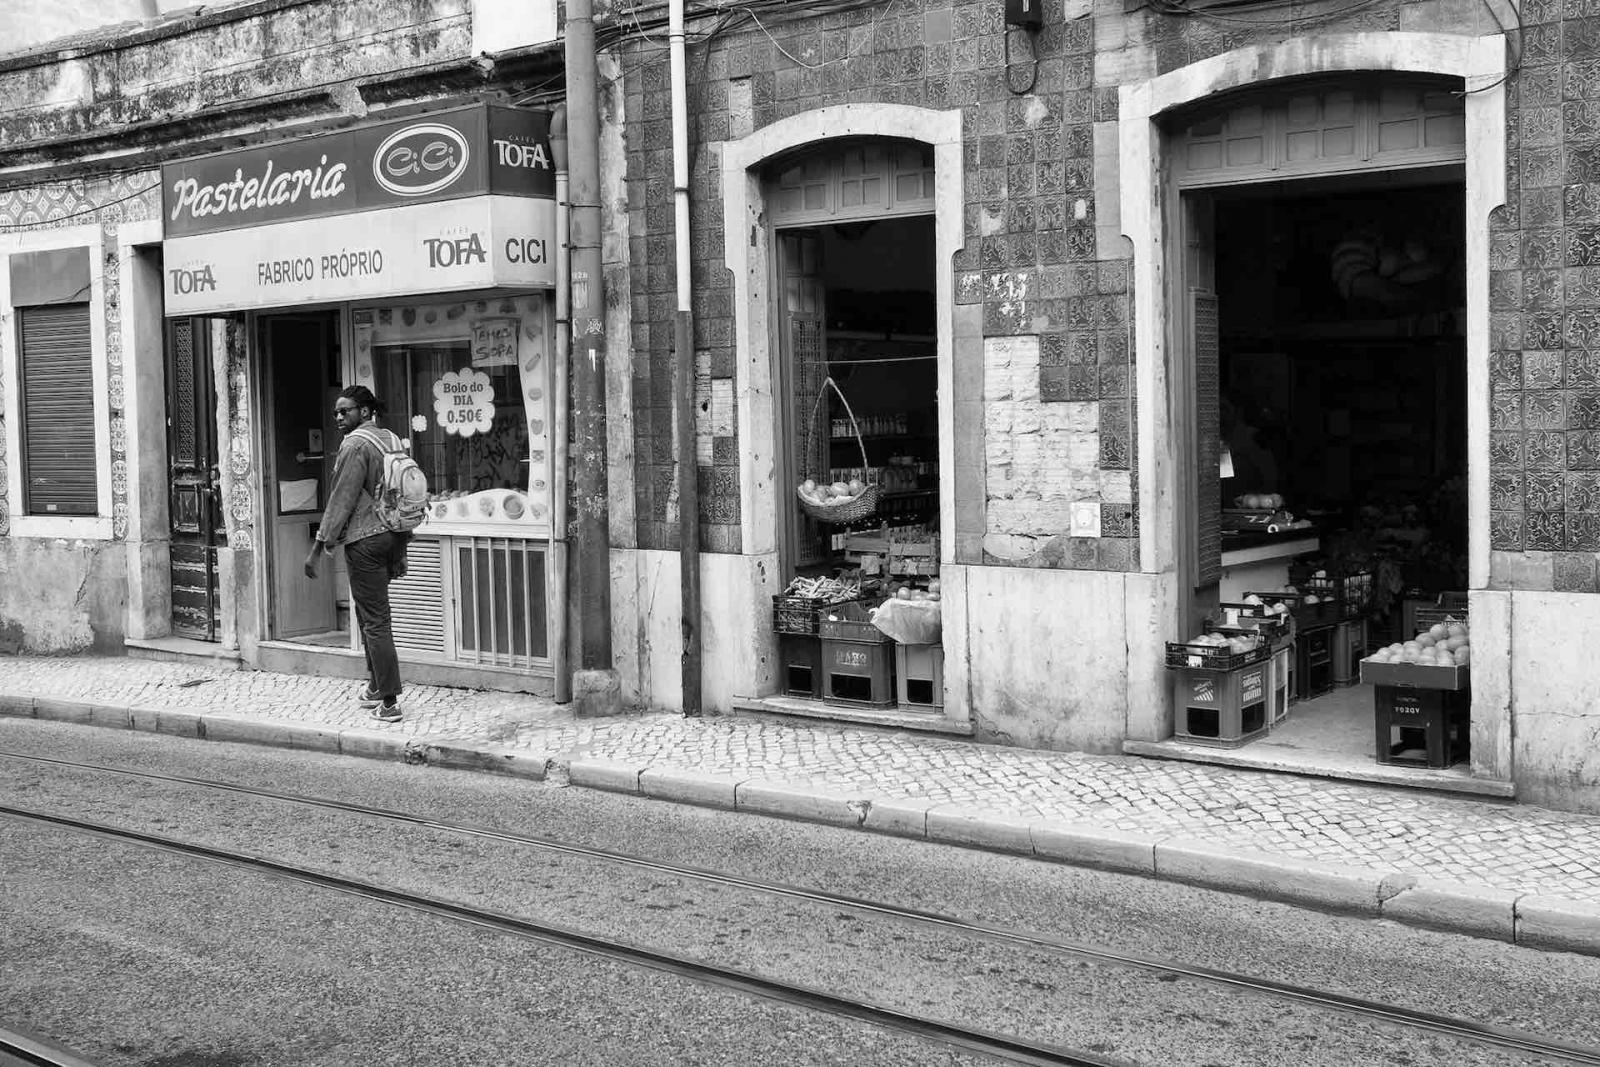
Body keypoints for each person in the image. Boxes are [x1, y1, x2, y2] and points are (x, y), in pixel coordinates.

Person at [303, 385, 410, 723]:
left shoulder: (355, 445)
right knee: (368, 616)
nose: (338, 417)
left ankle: (390, 702)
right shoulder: (391, 439)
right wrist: (402, 547)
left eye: (344, 411)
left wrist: (318, 548)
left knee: (375, 621)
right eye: (336, 412)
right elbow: (403, 494)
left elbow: (341, 499)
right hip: (393, 535)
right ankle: (376, 686)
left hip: (366, 540)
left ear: (364, 411)